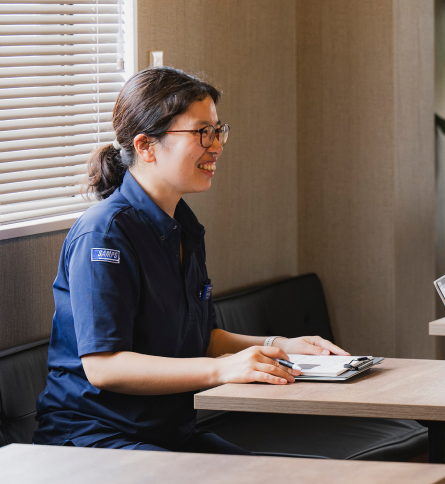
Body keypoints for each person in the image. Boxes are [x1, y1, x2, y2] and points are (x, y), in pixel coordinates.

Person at [34, 67, 347, 454]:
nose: (216, 146)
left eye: (218, 131)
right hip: (95, 440)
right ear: (147, 146)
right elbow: (105, 366)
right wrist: (223, 369)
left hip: (168, 434)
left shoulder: (183, 227)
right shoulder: (104, 234)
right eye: (202, 132)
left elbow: (203, 338)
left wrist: (280, 344)